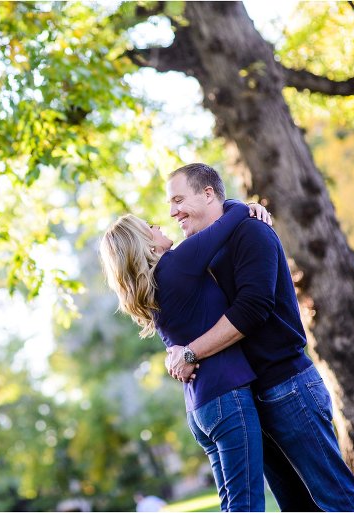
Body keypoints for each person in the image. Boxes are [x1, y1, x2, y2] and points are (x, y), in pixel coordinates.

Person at [163, 163, 354, 512]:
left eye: (179, 199)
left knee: (338, 500)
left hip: (288, 386)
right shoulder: (205, 248)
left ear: (209, 193)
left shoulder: (251, 232)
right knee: (295, 506)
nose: (172, 211)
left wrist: (190, 354)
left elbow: (252, 310)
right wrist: (174, 349)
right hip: (251, 398)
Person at [100, 199, 272, 512]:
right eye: (149, 227)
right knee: (246, 505)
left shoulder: (151, 291)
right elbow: (229, 218)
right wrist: (246, 204)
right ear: (146, 245)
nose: (158, 225)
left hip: (200, 409)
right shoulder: (179, 263)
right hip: (227, 397)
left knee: (233, 504)